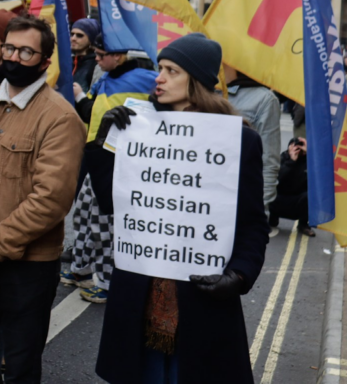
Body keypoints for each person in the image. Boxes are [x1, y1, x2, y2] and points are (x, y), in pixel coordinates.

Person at [95, 33, 269, 384]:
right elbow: (108, 201)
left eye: (171, 71)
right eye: (160, 68)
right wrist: (105, 142)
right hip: (138, 293)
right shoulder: (138, 129)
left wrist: (238, 276)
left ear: (198, 80)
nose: (159, 78)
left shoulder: (238, 141)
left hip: (200, 298)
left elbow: (252, 224)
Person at [0, 14, 85, 384]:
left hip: (27, 267)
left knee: (19, 365)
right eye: (10, 48)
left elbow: (51, 200)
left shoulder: (60, 117)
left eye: (26, 52)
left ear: (45, 62)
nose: (14, 57)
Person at [68, 37, 157, 304]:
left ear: (118, 55)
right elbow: (90, 113)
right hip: (95, 154)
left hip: (121, 163)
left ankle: (107, 283)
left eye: (101, 54)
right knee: (83, 215)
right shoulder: (104, 78)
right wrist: (80, 97)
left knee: (104, 224)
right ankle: (80, 268)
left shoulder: (147, 79)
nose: (96, 59)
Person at [225, 64, 282, 235]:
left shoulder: (264, 99)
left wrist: (259, 212)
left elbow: (269, 162)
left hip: (240, 206)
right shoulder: (202, 90)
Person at [269, 137, 313, 236]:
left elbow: (319, 176)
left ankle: (303, 225)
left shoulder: (310, 161)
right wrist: (291, 161)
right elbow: (276, 179)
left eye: (301, 146)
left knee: (309, 195)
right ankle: (272, 218)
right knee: (267, 190)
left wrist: (309, 153)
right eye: (296, 146)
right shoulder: (282, 158)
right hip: (279, 198)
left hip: (298, 199)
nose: (299, 149)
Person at [70, 18, 100, 93]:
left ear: (91, 39)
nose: (73, 38)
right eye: (72, 34)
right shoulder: (67, 61)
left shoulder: (97, 64)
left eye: (79, 35)